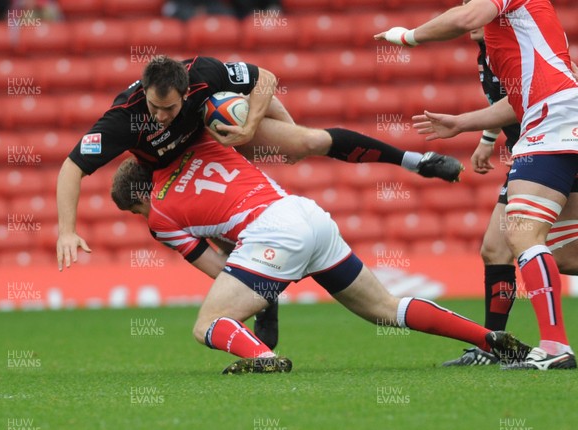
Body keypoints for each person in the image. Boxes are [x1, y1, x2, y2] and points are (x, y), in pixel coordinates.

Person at [110, 131, 531, 374]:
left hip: (270, 236)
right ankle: (488, 339)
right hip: (305, 213)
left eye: (135, 210)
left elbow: (218, 268)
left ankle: (263, 357)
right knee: (385, 307)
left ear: (139, 196)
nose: (141, 216)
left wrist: (265, 293)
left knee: (206, 324)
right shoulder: (205, 145)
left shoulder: (159, 217)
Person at [56, 55, 463, 272]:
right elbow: (72, 167)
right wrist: (67, 232)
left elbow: (264, 77)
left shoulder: (204, 72)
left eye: (169, 107)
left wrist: (252, 125)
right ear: (143, 91)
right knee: (205, 230)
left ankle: (416, 160)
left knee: (306, 141)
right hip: (167, 168)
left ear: (185, 91)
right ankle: (260, 301)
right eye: (154, 106)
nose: (160, 115)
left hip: (213, 132)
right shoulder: (123, 120)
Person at [376, 0, 578, 369]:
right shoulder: (504, 43)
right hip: (554, 122)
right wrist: (463, 126)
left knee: (521, 235)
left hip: (553, 124)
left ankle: (554, 347)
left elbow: (467, 17)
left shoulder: (506, 13)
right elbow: (520, 100)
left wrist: (407, 36)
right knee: (564, 254)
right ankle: (518, 345)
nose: (469, 6)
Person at [441, 11, 578, 366]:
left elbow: (533, 94)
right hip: (534, 151)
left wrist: (463, 125)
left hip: (549, 148)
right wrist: (487, 139)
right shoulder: (491, 52)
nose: (473, 13)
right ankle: (494, 345)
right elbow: (515, 102)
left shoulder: (516, 44)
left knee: (518, 241)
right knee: (509, 249)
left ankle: (533, 346)